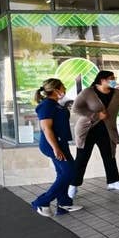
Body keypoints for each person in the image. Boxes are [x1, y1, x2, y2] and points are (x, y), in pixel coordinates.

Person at [30, 79, 83, 217]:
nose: (64, 89)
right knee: (68, 173)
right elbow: (46, 129)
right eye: (63, 87)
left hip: (61, 143)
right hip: (52, 145)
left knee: (64, 173)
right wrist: (56, 148)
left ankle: (64, 204)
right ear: (55, 90)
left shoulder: (55, 104)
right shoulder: (46, 105)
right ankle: (41, 202)